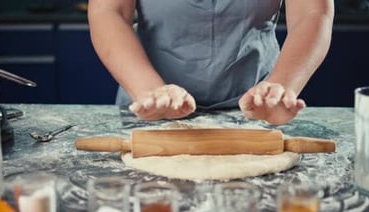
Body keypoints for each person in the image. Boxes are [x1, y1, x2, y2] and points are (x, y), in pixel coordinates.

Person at [88, 0, 334, 125]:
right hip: (151, 107)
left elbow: (312, 13)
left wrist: (279, 88)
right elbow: (109, 11)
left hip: (258, 110)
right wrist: (151, 92)